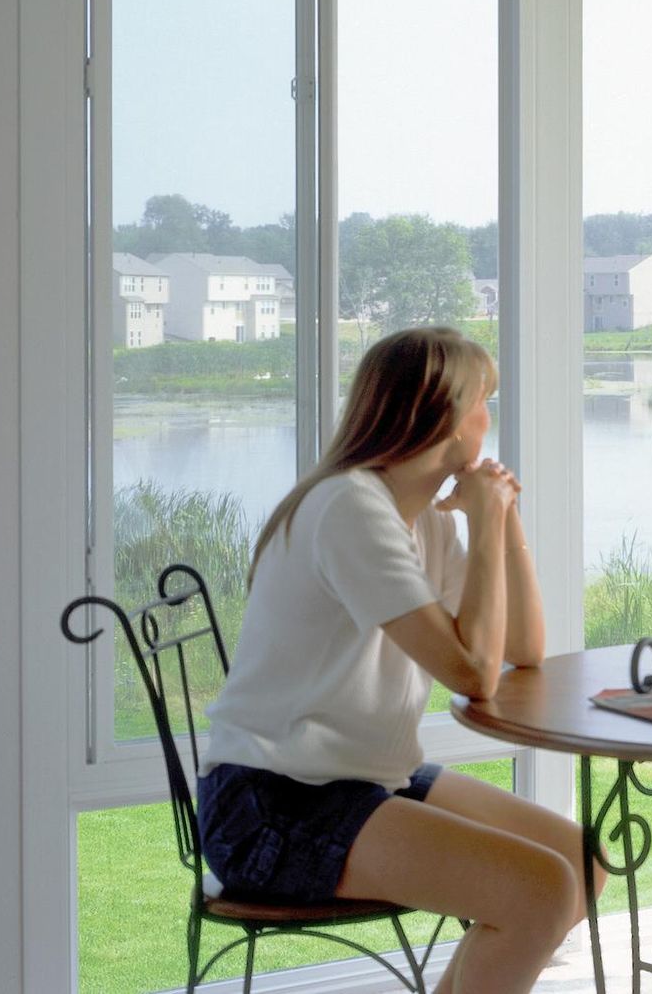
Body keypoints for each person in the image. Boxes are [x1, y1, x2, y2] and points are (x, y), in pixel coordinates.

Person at [197, 326, 601, 992]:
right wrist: (487, 518)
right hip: (273, 803)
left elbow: (523, 649)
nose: (488, 419)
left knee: (576, 863)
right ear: (441, 412)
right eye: (483, 400)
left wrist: (504, 520)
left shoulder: (424, 520)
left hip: (359, 778)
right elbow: (471, 672)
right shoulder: (350, 508)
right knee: (539, 892)